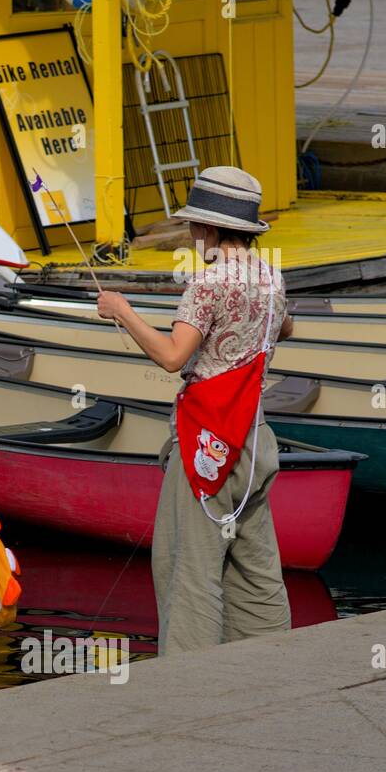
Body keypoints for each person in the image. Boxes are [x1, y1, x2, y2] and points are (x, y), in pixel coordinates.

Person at [96, 166, 295, 655]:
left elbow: (172, 357)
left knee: (189, 569)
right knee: (256, 568)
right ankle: (273, 664)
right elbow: (285, 328)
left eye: (193, 225)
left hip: (209, 440)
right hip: (256, 436)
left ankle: (189, 690)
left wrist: (121, 310)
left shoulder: (207, 283)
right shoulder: (270, 274)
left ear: (207, 227)